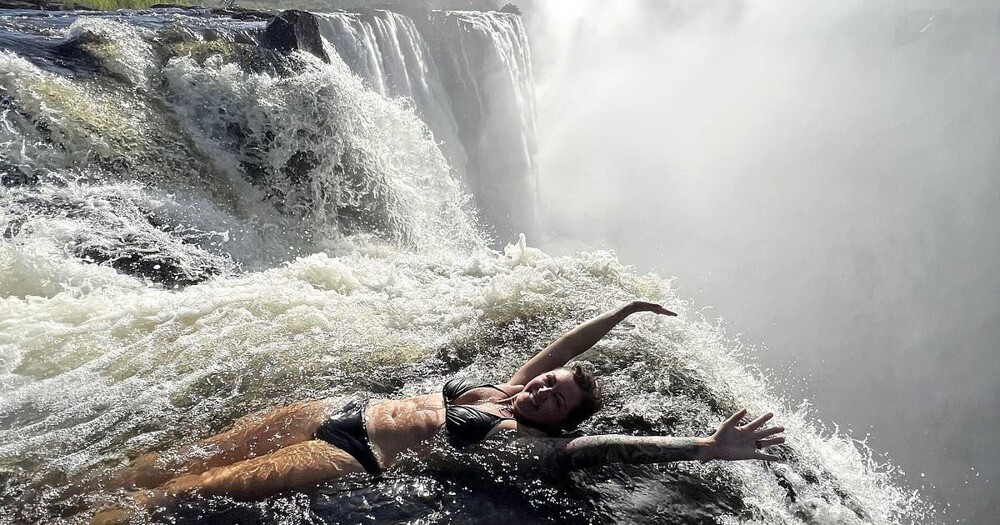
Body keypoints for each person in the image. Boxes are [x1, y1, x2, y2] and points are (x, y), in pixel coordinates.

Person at [91, 301, 785, 523]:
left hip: (351, 453)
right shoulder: (509, 388)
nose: (545, 390)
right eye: (551, 383)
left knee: (182, 492)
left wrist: (702, 445)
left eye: (558, 399)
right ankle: (66, 497)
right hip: (328, 409)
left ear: (558, 419)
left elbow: (601, 447)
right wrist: (626, 311)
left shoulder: (524, 438)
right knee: (159, 463)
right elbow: (565, 347)